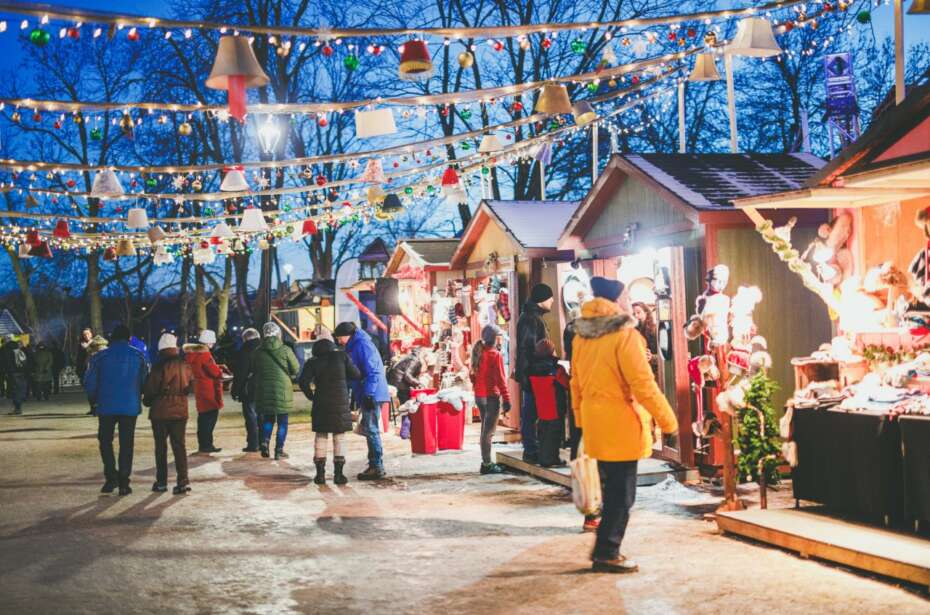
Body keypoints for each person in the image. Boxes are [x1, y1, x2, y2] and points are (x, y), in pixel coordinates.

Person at [571, 277, 678, 574]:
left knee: (611, 489)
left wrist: (581, 420)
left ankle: (604, 548)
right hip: (620, 424)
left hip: (595, 423)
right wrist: (669, 420)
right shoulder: (625, 335)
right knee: (622, 493)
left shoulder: (582, 336)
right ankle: (607, 552)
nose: (630, 301)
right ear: (616, 301)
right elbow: (643, 384)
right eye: (627, 296)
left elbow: (575, 383)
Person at [84, 324, 149, 496]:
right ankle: (124, 481)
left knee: (105, 441)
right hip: (129, 405)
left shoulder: (99, 357)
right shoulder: (138, 355)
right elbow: (144, 381)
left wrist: (94, 400)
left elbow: (90, 382)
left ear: (112, 338)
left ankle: (110, 477)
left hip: (106, 405)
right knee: (126, 444)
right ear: (129, 338)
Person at [299, 330, 361, 485]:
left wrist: (311, 395)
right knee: (339, 437)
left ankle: (320, 475)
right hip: (340, 401)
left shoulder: (313, 361)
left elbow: (303, 381)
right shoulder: (341, 356)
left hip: (321, 402)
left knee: (321, 436)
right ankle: (338, 475)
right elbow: (356, 374)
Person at [334, 321, 390, 480]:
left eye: (340, 338)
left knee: (371, 429)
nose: (339, 341)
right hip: (368, 392)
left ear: (347, 335)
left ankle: (376, 467)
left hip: (372, 392)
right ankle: (375, 464)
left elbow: (373, 371)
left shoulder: (362, 345)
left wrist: (369, 394)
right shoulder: (356, 345)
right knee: (369, 429)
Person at [142, 333, 193, 494]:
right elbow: (191, 386)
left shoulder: (158, 367)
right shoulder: (185, 365)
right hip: (180, 410)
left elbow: (150, 390)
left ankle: (162, 481)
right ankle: (183, 481)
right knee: (180, 446)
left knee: (161, 448)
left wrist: (148, 401)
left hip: (160, 412)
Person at [514, 283, 554, 464]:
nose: (553, 300)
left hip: (532, 371)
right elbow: (529, 348)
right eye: (550, 297)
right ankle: (531, 449)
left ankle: (532, 448)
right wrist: (546, 356)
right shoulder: (532, 318)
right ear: (542, 300)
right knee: (531, 412)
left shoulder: (532, 316)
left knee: (532, 412)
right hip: (534, 372)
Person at [249, 322, 300, 460]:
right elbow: (296, 368)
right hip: (282, 390)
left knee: (268, 419)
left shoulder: (257, 352)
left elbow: (254, 369)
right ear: (278, 334)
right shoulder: (285, 350)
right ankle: (279, 450)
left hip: (264, 389)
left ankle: (265, 442)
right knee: (283, 421)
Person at [470, 324, 511, 475]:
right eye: (499, 335)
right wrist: (507, 398)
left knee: (484, 430)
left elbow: (472, 376)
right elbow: (501, 379)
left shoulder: (479, 352)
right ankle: (487, 464)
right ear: (494, 338)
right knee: (488, 432)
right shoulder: (495, 354)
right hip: (491, 397)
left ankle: (486, 461)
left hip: (480, 397)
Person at [527, 339, 570, 468]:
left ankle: (543, 457)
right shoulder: (556, 368)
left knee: (544, 431)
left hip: (541, 405)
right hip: (555, 405)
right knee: (554, 433)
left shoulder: (532, 367)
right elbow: (566, 384)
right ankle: (552, 459)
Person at [184, 329, 224, 454]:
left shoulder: (192, 353)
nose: (212, 345)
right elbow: (213, 371)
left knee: (203, 417)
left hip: (199, 387)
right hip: (209, 388)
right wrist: (221, 372)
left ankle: (203, 444)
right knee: (210, 416)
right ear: (208, 342)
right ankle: (207, 444)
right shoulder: (205, 354)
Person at [231, 328, 262, 453]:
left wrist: (235, 391)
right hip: (265, 388)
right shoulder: (265, 349)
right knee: (263, 417)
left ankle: (253, 444)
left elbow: (240, 374)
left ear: (245, 339)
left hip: (250, 390)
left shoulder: (244, 352)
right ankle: (264, 442)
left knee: (251, 418)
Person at [1, 336, 29, 415]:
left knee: (14, 389)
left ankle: (17, 408)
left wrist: (5, 372)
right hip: (21, 371)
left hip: (12, 372)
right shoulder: (18, 348)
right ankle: (20, 403)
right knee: (20, 387)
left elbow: (3, 362)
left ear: (4, 342)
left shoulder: (4, 349)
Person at [632, 302, 659, 376]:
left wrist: (652, 357)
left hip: (655, 374)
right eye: (633, 314)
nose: (636, 316)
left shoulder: (656, 330)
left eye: (638, 312)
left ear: (646, 313)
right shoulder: (631, 333)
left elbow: (668, 356)